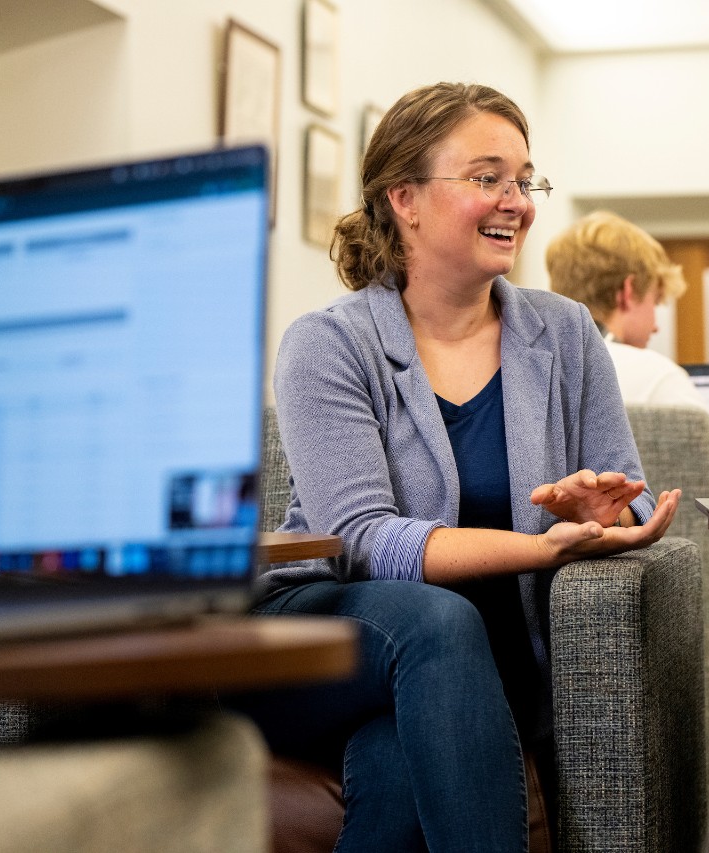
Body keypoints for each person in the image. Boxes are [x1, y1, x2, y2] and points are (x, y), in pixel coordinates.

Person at [238, 82, 681, 852]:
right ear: (404, 198)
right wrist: (540, 546)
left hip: (468, 679)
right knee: (439, 620)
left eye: (525, 180)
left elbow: (632, 494)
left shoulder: (566, 333)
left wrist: (602, 510)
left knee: (397, 759)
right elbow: (364, 539)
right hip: (322, 642)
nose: (517, 201)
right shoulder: (327, 343)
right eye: (487, 178)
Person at [545, 210, 709, 427]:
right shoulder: (657, 378)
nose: (655, 327)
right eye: (655, 301)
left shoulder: (529, 369)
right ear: (628, 291)